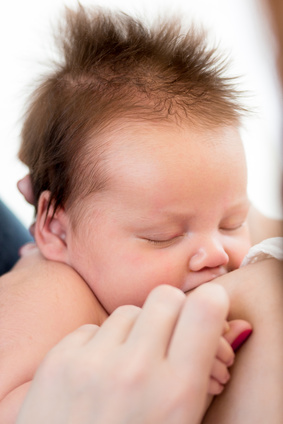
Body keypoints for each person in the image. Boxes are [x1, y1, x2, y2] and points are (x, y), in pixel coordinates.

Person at [0, 4, 282, 423]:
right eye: (162, 235)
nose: (217, 255)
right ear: (56, 229)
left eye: (230, 223)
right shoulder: (53, 292)